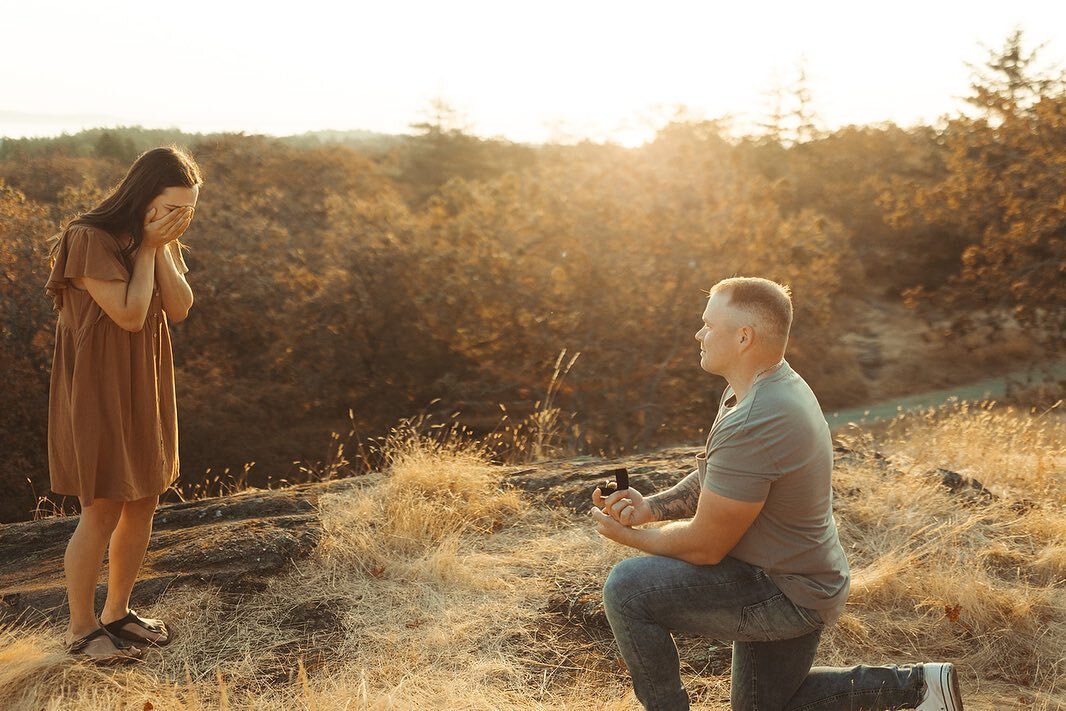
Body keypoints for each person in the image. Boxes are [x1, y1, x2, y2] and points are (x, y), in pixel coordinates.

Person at [591, 277, 964, 711]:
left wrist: (628, 538)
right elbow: (722, 479)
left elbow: (707, 547)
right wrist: (649, 508)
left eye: (709, 324)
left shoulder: (757, 416)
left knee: (627, 589)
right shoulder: (761, 385)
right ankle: (919, 688)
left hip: (784, 590)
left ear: (744, 337)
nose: (699, 333)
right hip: (803, 576)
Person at [46, 146, 202, 663]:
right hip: (98, 383)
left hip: (145, 377)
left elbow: (178, 308)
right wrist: (147, 248)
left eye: (189, 209)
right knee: (103, 507)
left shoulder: (157, 239)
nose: (181, 218)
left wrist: (161, 247)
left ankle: (117, 611)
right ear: (143, 195)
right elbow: (130, 315)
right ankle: (81, 629)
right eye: (172, 207)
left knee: (145, 498)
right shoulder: (88, 237)